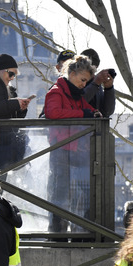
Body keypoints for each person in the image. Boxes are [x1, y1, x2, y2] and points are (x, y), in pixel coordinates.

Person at [43, 54, 101, 236]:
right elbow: (52, 113)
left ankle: (78, 232)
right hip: (61, 152)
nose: (84, 84)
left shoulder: (75, 94)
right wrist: (83, 114)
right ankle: (57, 235)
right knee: (60, 195)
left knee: (78, 194)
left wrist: (93, 113)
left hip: (74, 152)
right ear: (72, 73)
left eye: (87, 81)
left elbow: (86, 110)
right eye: (83, 80)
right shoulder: (56, 92)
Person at [79, 48, 116, 117]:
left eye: (93, 69)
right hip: (78, 126)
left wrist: (109, 89)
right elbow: (78, 103)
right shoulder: (73, 82)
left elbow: (107, 111)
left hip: (96, 126)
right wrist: (95, 83)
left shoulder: (96, 84)